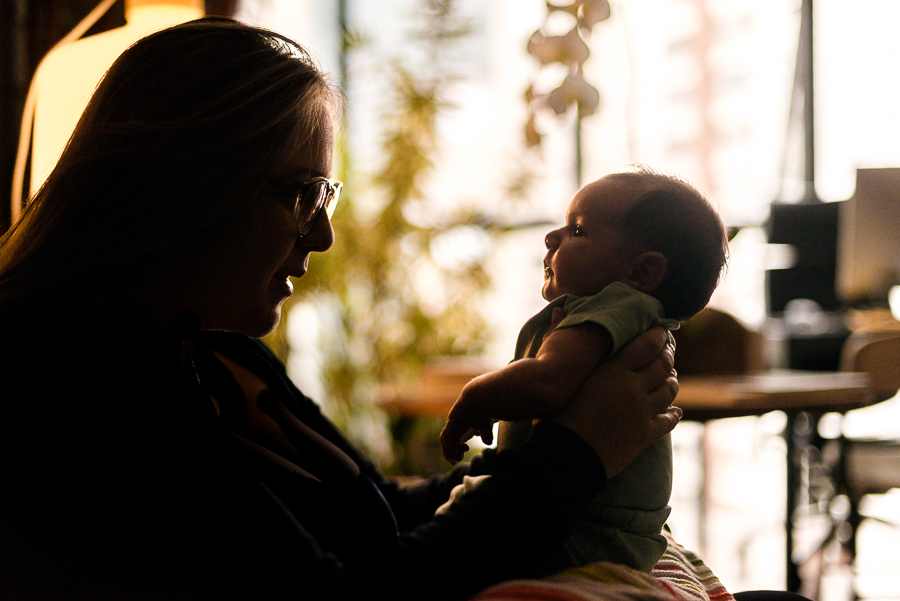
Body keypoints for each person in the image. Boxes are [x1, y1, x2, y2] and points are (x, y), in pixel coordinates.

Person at [0, 18, 681, 601]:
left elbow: (378, 507)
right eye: (300, 194)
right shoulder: (90, 392)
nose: (322, 236)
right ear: (189, 183)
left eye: (326, 197)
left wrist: (558, 457)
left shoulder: (210, 351)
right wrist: (577, 454)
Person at [440, 166, 728, 573]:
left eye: (578, 230)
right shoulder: (619, 317)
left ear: (642, 272)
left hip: (591, 534)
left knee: (457, 522)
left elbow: (546, 382)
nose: (551, 237)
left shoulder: (616, 306)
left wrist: (474, 396)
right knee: (464, 501)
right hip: (595, 524)